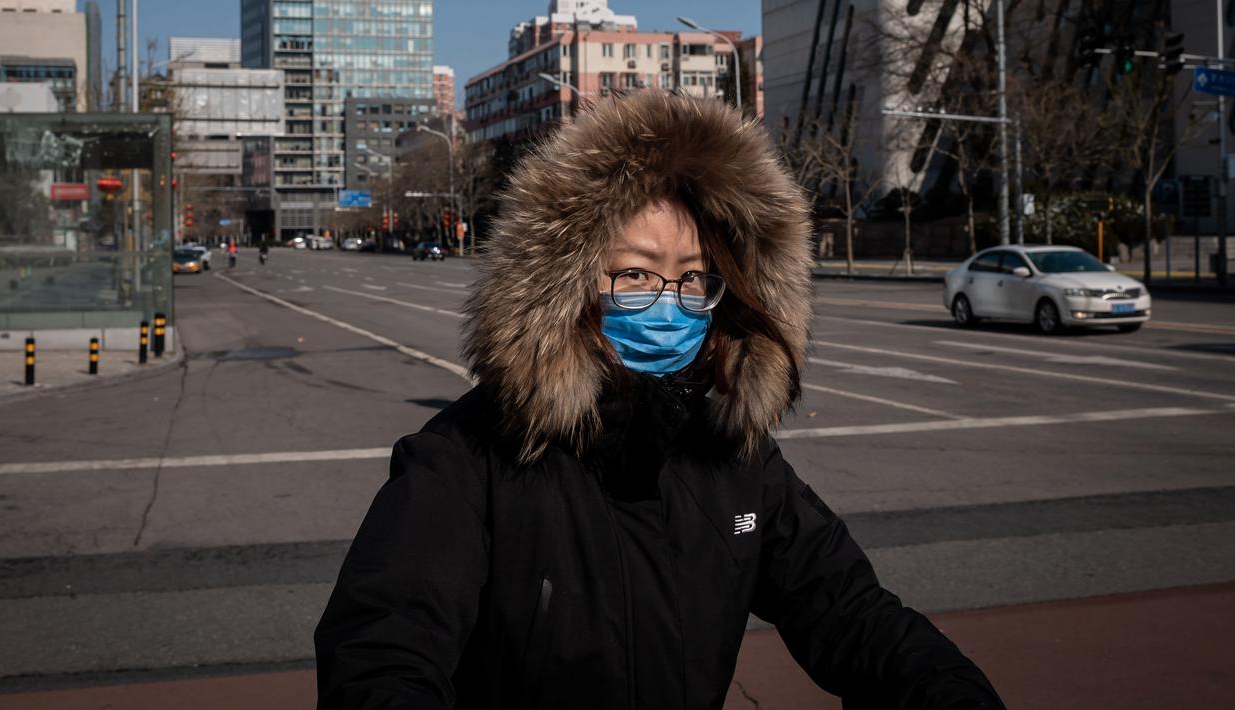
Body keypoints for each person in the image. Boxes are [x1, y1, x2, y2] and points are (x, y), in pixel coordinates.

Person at [314, 90, 1004, 709]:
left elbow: (852, 613)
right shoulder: (464, 462)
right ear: (567, 287)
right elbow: (381, 656)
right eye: (637, 274)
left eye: (694, 278)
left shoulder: (738, 460)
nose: (669, 304)